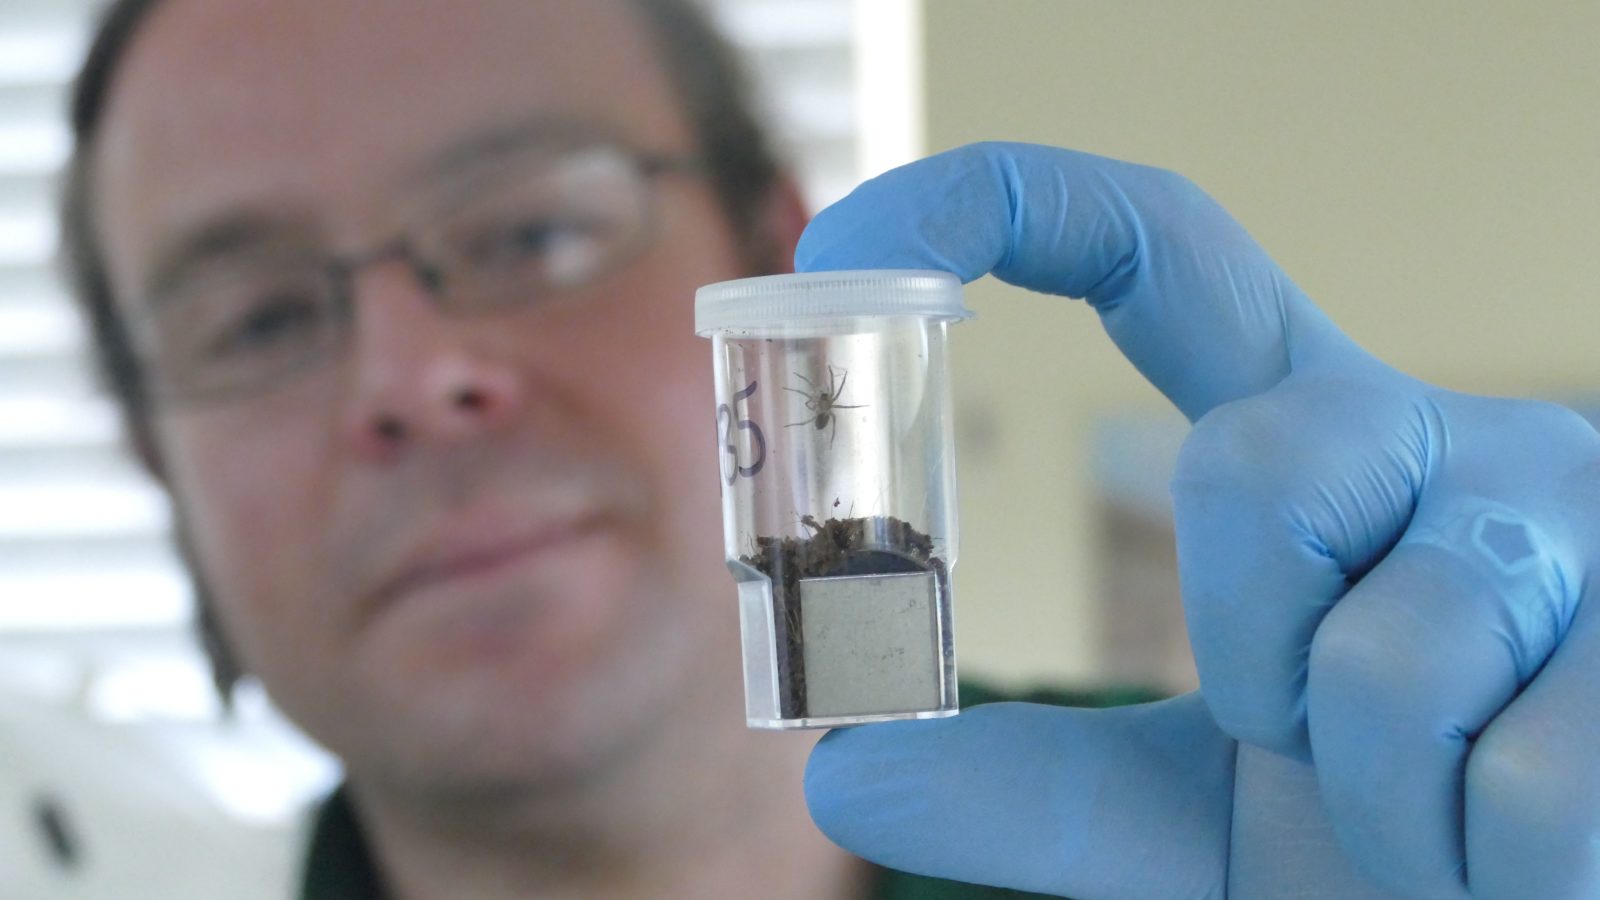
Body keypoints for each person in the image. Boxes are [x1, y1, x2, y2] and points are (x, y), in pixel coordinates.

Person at [60, 4, 1600, 900]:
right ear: (153, 458)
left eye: (532, 226)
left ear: (782, 265)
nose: (413, 378)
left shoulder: (1292, 830)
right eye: (257, 321)